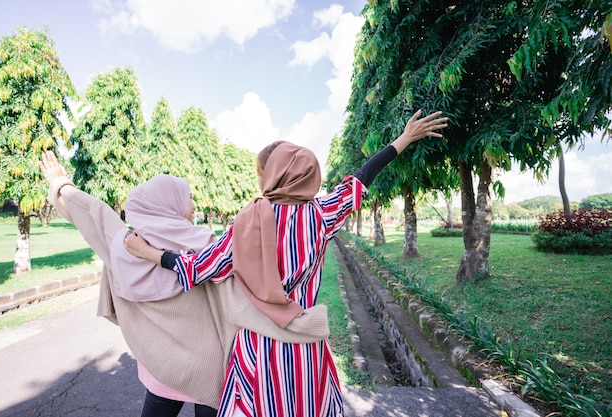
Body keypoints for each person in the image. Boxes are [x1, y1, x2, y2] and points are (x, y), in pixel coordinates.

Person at [125, 109, 448, 417]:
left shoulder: (249, 219)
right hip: (305, 342)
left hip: (257, 343)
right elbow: (362, 178)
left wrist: (148, 253)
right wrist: (404, 138)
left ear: (273, 175)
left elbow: (200, 269)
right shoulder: (322, 214)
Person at [38, 151, 331, 417]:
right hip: (210, 370)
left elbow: (94, 214)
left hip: (163, 369)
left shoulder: (127, 246)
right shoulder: (205, 245)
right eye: (188, 199)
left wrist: (61, 183)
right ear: (172, 205)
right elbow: (251, 288)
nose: (193, 206)